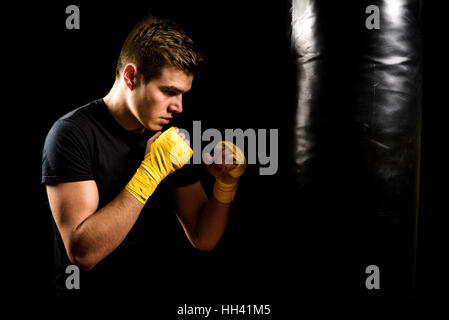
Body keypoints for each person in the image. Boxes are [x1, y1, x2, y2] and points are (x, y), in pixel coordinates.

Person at [42, 16, 246, 302]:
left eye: (183, 95)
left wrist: (224, 186)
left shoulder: (169, 139)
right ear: (130, 76)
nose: (178, 106)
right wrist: (150, 171)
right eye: (169, 92)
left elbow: (204, 238)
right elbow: (83, 253)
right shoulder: (72, 134)